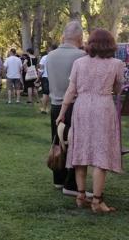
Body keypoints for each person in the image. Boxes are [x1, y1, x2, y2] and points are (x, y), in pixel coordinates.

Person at [56, 29, 125, 213]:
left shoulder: (79, 63)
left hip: (82, 106)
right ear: (110, 45)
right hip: (103, 106)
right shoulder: (117, 64)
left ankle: (80, 196)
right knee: (101, 154)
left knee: (81, 150)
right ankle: (97, 201)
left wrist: (62, 112)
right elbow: (118, 89)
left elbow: (71, 90)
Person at [47, 21, 85, 196]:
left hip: (55, 105)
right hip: (74, 105)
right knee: (74, 144)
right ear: (80, 37)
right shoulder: (82, 56)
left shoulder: (51, 55)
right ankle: (71, 183)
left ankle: (58, 178)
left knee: (57, 142)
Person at [38, 45, 56, 114]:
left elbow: (41, 69)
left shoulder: (44, 57)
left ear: (49, 50)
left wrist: (38, 78)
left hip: (46, 77)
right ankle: (52, 109)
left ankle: (43, 108)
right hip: (55, 77)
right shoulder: (58, 58)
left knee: (45, 94)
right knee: (54, 94)